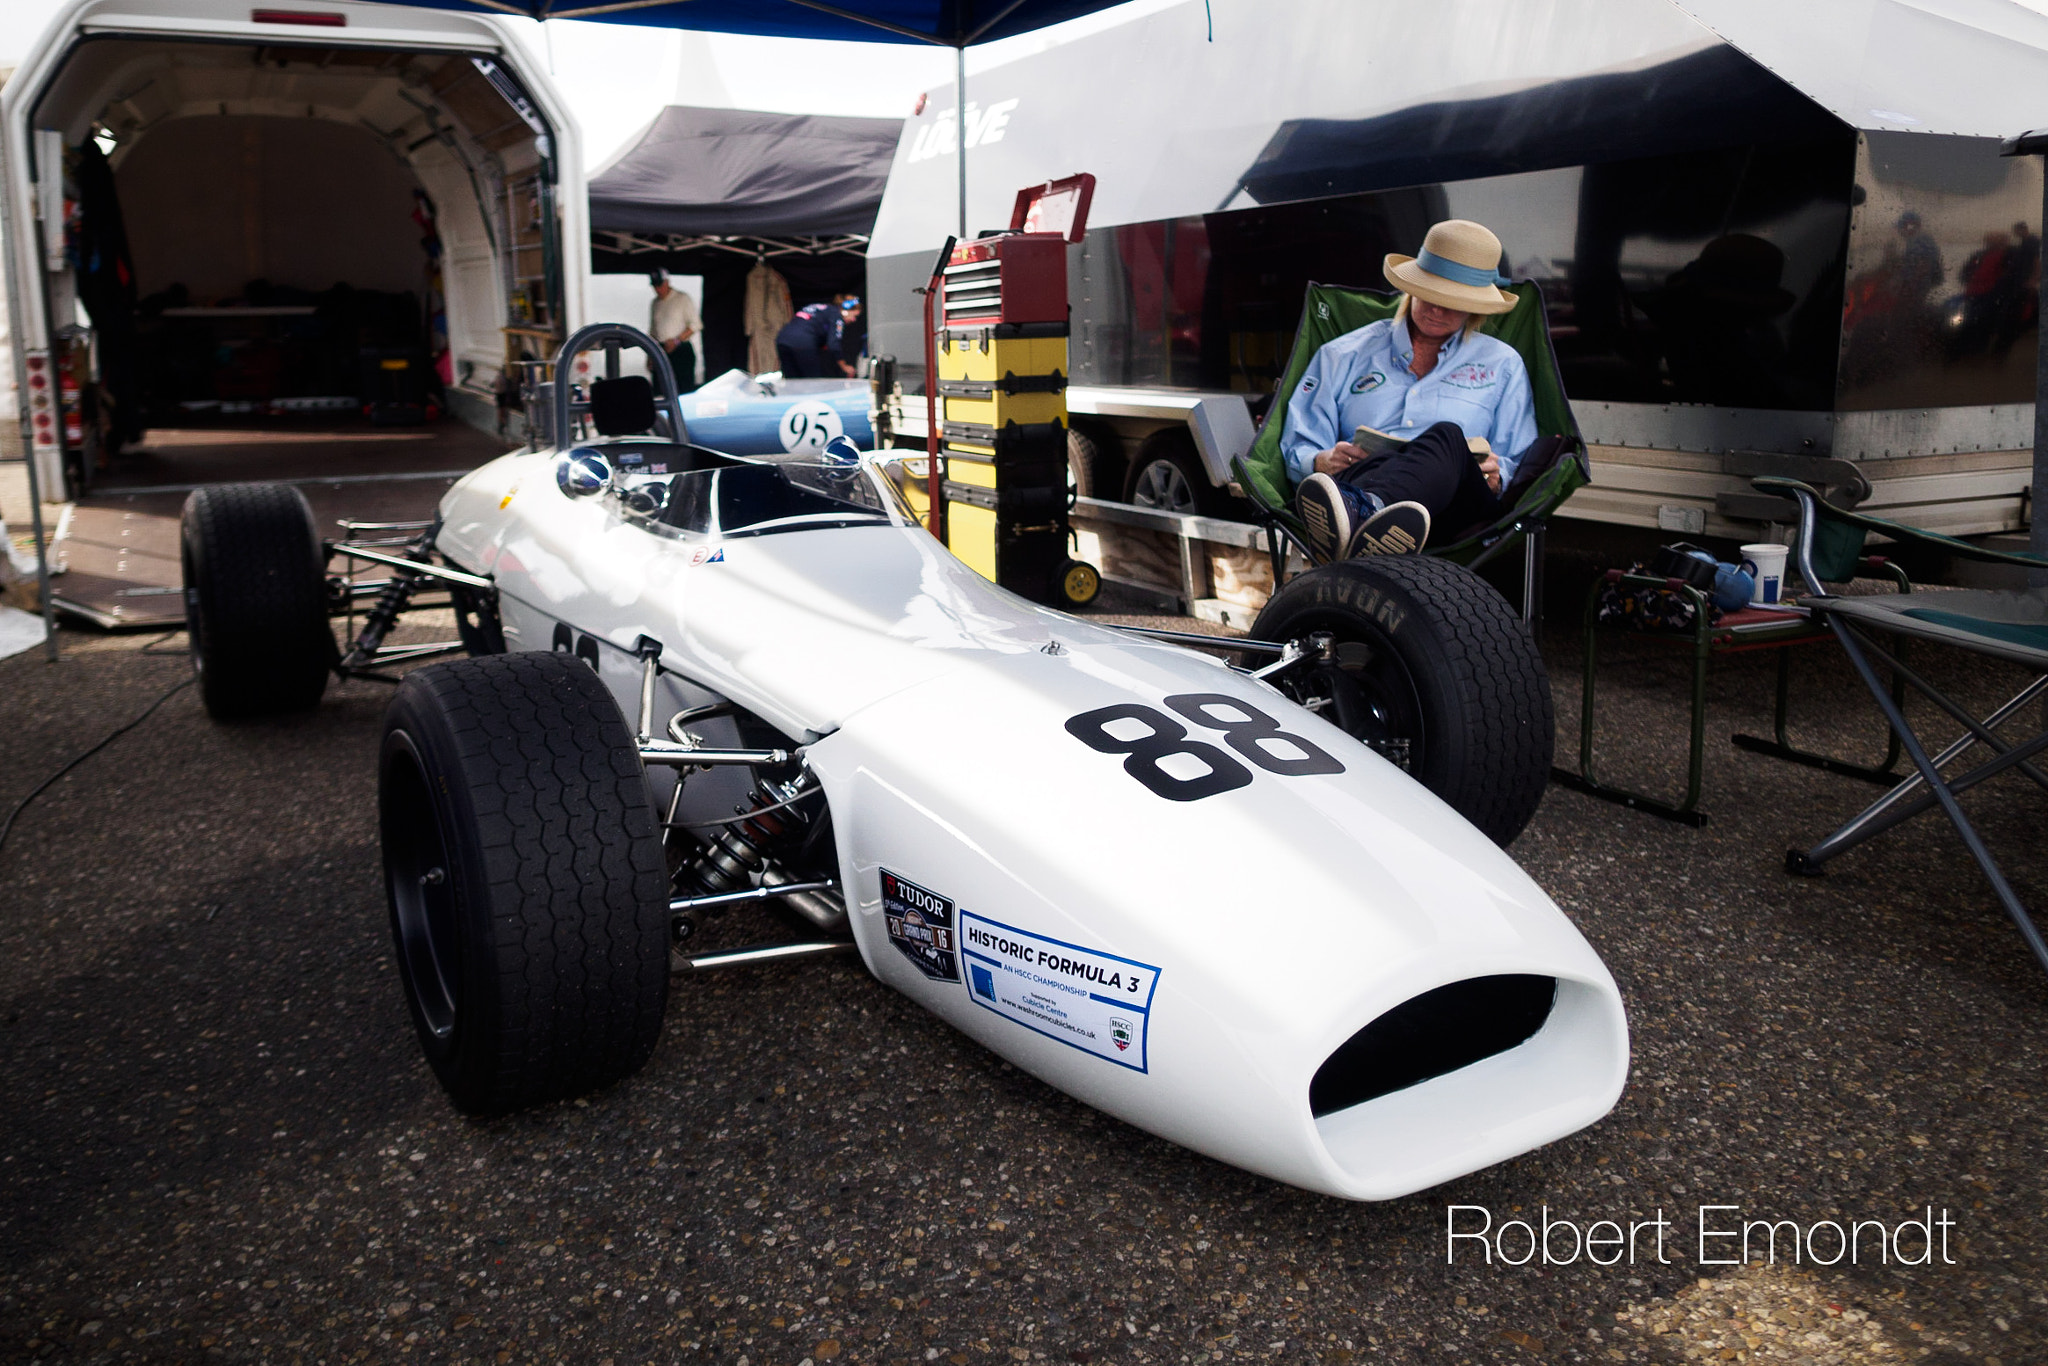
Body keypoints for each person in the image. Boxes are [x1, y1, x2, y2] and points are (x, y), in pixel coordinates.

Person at [1283, 219, 1536, 558]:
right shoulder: (1342, 355)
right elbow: (1299, 442)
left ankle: (1370, 514)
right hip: (1358, 487)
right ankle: (1365, 515)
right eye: (1428, 292)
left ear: (1476, 305)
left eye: (1451, 300)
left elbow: (1520, 459)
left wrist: (1498, 474)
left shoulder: (1502, 364)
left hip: (1456, 513)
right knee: (1366, 474)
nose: (1435, 308)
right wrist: (1321, 461)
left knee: (1448, 437)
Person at [775, 296, 861, 378]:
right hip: (803, 342)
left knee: (793, 382)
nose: (854, 320)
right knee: (813, 382)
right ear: (846, 311)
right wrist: (844, 366)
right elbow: (833, 344)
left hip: (782, 339)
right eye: (855, 316)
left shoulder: (821, 308)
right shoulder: (836, 315)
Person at [649, 269, 700, 392]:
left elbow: (695, 325)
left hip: (681, 349)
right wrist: (650, 354)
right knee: (660, 389)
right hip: (661, 349)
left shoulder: (682, 298)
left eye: (660, 285)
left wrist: (676, 341)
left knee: (682, 389)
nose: (658, 289)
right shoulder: (655, 303)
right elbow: (653, 330)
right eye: (655, 286)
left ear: (667, 282)